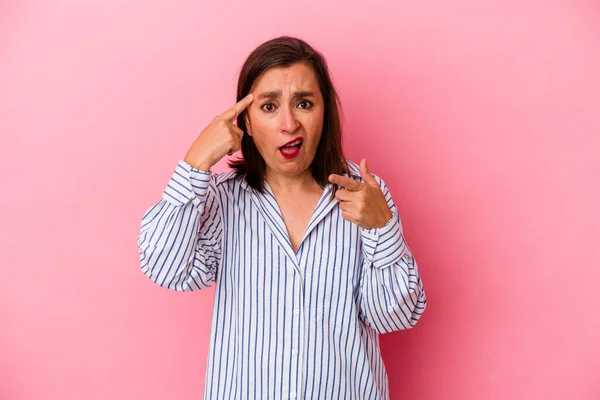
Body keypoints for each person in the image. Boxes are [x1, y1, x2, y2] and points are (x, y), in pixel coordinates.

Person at [137, 36, 426, 400]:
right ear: (246, 121)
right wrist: (195, 162)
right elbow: (166, 268)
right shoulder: (220, 200)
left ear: (325, 113)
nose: (289, 124)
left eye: (304, 103)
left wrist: (382, 228)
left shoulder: (364, 195)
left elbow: (393, 317)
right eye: (269, 106)